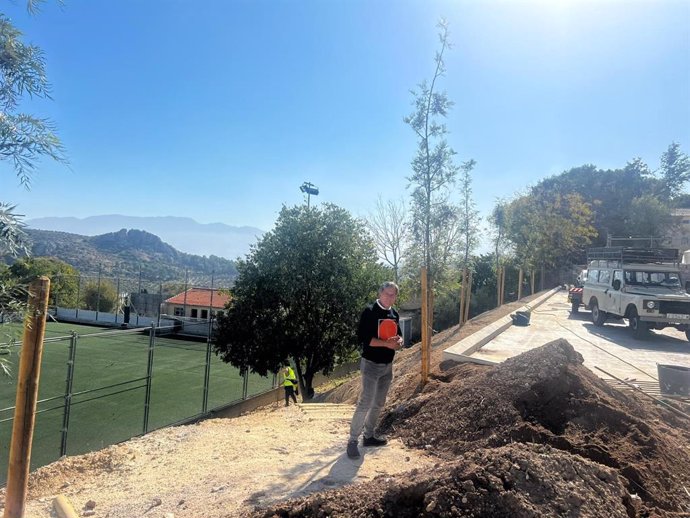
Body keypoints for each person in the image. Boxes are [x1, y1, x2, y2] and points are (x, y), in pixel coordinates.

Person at [346, 281, 403, 459]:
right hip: (370, 364)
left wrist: (399, 342)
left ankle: (369, 436)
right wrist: (387, 343)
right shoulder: (369, 312)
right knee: (365, 402)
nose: (389, 297)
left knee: (379, 403)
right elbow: (365, 339)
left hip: (387, 366)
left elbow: (399, 336)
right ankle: (352, 441)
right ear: (380, 294)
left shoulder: (394, 314)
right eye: (387, 294)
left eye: (393, 294)